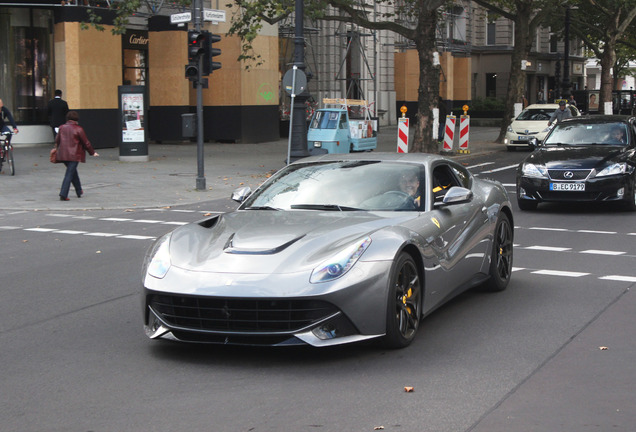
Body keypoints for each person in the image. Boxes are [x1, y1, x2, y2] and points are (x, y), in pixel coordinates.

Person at [55, 111, 99, 201]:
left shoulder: (61, 127)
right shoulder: (78, 129)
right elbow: (86, 142)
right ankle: (63, 193)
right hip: (74, 155)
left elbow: (57, 140)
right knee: (69, 174)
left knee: (72, 172)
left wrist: (57, 149)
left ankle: (79, 190)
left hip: (63, 154)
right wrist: (92, 152)